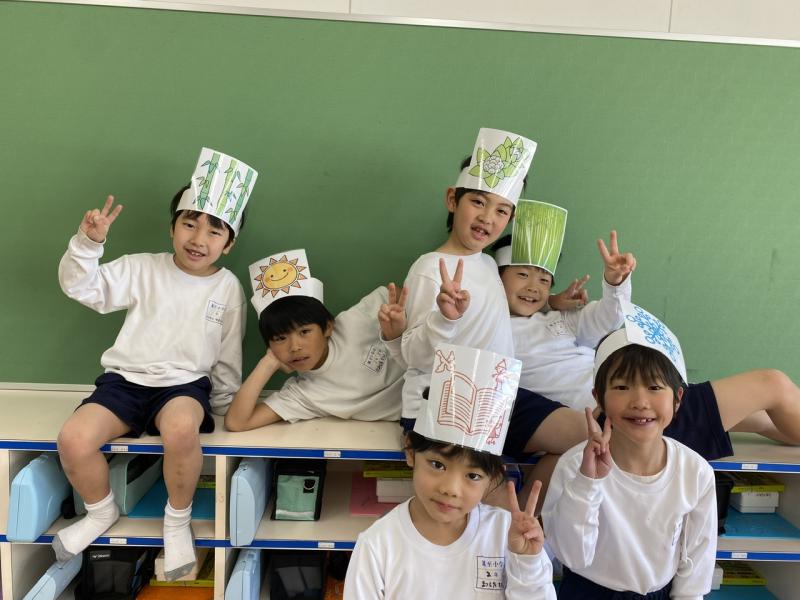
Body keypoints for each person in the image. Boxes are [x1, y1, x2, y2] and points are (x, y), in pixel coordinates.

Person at [55, 148, 255, 580]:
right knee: (72, 438)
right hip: (124, 383)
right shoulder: (142, 268)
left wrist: (224, 405)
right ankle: (100, 510)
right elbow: (82, 287)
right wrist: (88, 244)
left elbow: (227, 354)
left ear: (229, 244)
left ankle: (177, 520)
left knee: (181, 429)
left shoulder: (227, 286)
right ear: (172, 228)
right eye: (189, 224)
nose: (199, 239)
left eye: (215, 231)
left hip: (184, 386)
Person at [396, 128, 587, 463]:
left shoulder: (486, 263)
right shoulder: (430, 269)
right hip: (444, 400)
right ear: (452, 200)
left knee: (588, 435)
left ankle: (529, 501)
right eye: (478, 202)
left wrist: (552, 302)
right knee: (477, 487)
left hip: (498, 395)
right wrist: (444, 319)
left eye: (502, 210)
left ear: (511, 217)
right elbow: (414, 356)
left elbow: (495, 309)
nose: (487, 218)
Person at [344, 343, 556, 599]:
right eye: (438, 465)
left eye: (473, 476)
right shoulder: (377, 544)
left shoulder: (505, 533)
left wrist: (527, 563)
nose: (450, 489)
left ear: (493, 477)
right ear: (410, 452)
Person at [541, 306, 717, 599]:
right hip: (587, 593)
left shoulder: (695, 472)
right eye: (622, 387)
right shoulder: (575, 465)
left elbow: (696, 562)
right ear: (599, 398)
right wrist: (587, 483)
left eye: (654, 387)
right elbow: (571, 556)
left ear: (677, 398)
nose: (640, 402)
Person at [224, 249, 404, 431]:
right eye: (280, 338)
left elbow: (397, 295)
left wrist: (397, 328)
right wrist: (268, 363)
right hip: (410, 419)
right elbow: (237, 422)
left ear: (328, 327)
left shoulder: (352, 322)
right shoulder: (304, 395)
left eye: (304, 332)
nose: (294, 347)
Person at [494, 227, 634, 411]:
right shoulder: (491, 327)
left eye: (544, 280)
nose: (533, 287)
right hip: (594, 411)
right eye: (523, 274)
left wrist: (615, 283)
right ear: (497, 278)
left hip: (626, 388)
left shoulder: (560, 315)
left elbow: (608, 320)